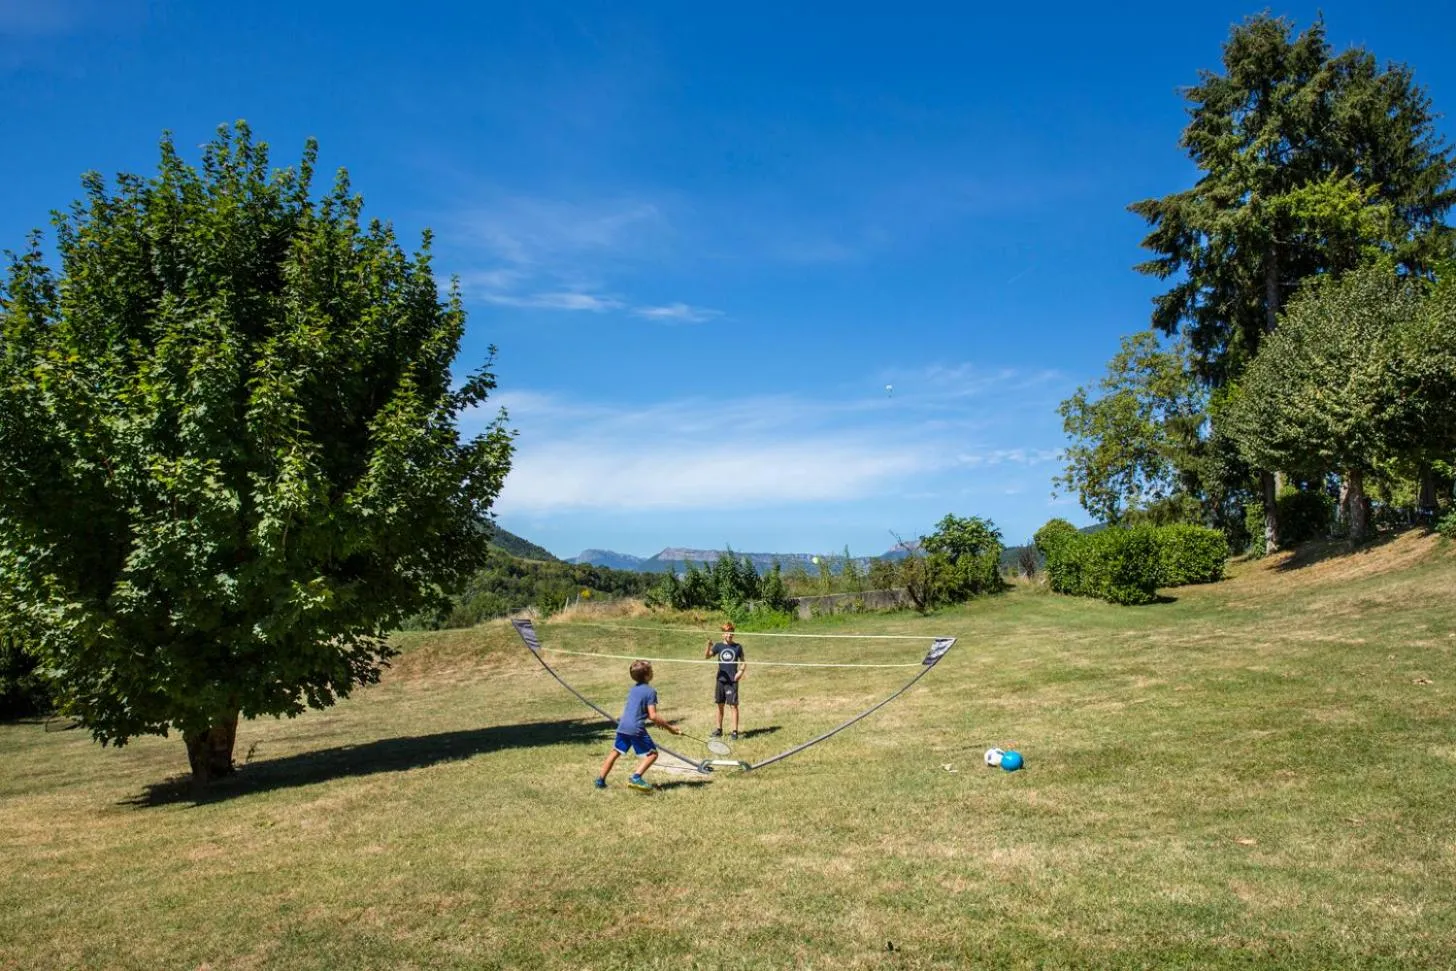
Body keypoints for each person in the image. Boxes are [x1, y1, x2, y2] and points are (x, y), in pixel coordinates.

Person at [596, 659, 679, 791]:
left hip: (623, 726)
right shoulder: (650, 691)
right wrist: (670, 728)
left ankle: (600, 780)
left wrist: (657, 722)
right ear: (647, 675)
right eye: (651, 670)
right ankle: (636, 778)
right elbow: (653, 715)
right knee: (652, 754)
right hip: (635, 728)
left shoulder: (633, 689)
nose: (653, 672)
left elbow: (638, 709)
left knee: (615, 752)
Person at [704, 621, 747, 741]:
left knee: (733, 706)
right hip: (720, 680)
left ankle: (734, 731)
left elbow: (744, 662)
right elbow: (707, 656)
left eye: (731, 633)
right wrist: (708, 646)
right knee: (720, 705)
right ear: (722, 634)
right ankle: (719, 730)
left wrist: (740, 672)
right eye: (726, 633)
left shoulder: (738, 647)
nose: (729, 635)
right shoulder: (718, 646)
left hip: (732, 681)